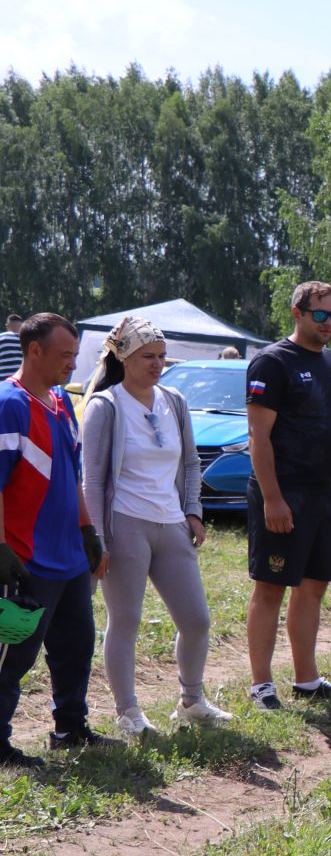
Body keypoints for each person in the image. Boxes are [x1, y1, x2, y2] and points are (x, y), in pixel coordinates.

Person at [80, 315, 226, 736]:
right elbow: (92, 477)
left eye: (162, 356)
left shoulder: (174, 400)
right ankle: (128, 713)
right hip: (125, 524)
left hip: (171, 523)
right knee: (125, 620)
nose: (157, 364)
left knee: (196, 619)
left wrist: (193, 511)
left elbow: (191, 462)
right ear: (123, 358)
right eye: (148, 356)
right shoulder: (106, 406)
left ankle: (191, 700)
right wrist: (99, 541)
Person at [244, 281, 331, 710]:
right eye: (321, 315)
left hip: (322, 494)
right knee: (271, 587)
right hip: (284, 492)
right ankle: (261, 685)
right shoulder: (272, 363)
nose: (329, 324)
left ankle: (307, 681)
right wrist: (273, 499)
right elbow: (259, 436)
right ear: (297, 312)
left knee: (313, 587)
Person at [0, 314, 106, 766]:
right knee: (12, 657)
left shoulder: (63, 402)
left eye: (75, 355)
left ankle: (69, 728)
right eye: (65, 355)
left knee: (76, 644)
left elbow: (74, 475)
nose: (72, 364)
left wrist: (87, 530)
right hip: (24, 559)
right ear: (34, 350)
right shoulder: (9, 403)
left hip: (67, 558)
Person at [0, 315, 22, 380]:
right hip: (22, 379)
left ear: (7, 326)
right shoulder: (26, 339)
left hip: (4, 380)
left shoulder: (1, 337)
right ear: (21, 326)